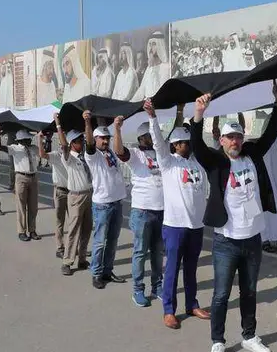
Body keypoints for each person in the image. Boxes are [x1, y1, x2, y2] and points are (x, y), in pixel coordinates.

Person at [190, 80, 277, 352]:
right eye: (229, 137)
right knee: (220, 295)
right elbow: (196, 146)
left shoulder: (252, 154)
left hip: (252, 239)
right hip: (226, 241)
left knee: (250, 291)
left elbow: (270, 133)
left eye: (238, 137)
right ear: (221, 140)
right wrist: (198, 116)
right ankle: (218, 341)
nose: (234, 142)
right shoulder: (215, 162)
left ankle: (249, 336)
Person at [142, 99, 211, 329]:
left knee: (191, 269)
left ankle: (191, 304)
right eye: (181, 143)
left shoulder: (197, 163)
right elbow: (159, 143)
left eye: (187, 142)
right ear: (174, 145)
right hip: (174, 226)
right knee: (172, 269)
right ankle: (169, 310)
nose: (186, 145)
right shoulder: (168, 163)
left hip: (196, 226)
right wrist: (153, 117)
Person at [112, 118, 166, 307]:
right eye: (150, 136)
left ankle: (157, 286)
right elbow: (119, 151)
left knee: (158, 253)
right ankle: (138, 289)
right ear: (142, 138)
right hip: (142, 211)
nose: (154, 138)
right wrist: (117, 130)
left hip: (161, 212)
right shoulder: (135, 154)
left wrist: (180, 112)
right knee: (140, 252)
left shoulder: (160, 154)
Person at [83, 111, 128, 289]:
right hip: (102, 204)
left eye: (106, 138)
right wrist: (87, 123)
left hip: (117, 202)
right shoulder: (93, 156)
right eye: (102, 138)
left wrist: (117, 129)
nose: (105, 141)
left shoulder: (111, 153)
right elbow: (88, 144)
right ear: (95, 139)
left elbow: (120, 148)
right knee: (100, 241)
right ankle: (96, 273)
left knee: (113, 240)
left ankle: (107, 271)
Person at [45, 113, 93, 276]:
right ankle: (67, 261)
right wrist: (58, 123)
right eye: (79, 141)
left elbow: (90, 140)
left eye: (82, 140)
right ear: (72, 144)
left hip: (88, 195)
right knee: (73, 230)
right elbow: (63, 145)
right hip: (76, 196)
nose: (82, 143)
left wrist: (87, 122)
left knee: (87, 228)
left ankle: (81, 258)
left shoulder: (84, 157)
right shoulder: (68, 157)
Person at [0, 128, 41, 242]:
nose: (30, 141)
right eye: (28, 139)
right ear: (22, 140)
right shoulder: (15, 148)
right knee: (21, 206)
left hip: (33, 177)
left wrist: (42, 138)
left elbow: (43, 152)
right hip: (21, 177)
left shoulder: (33, 148)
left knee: (33, 206)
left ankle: (32, 230)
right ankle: (22, 232)